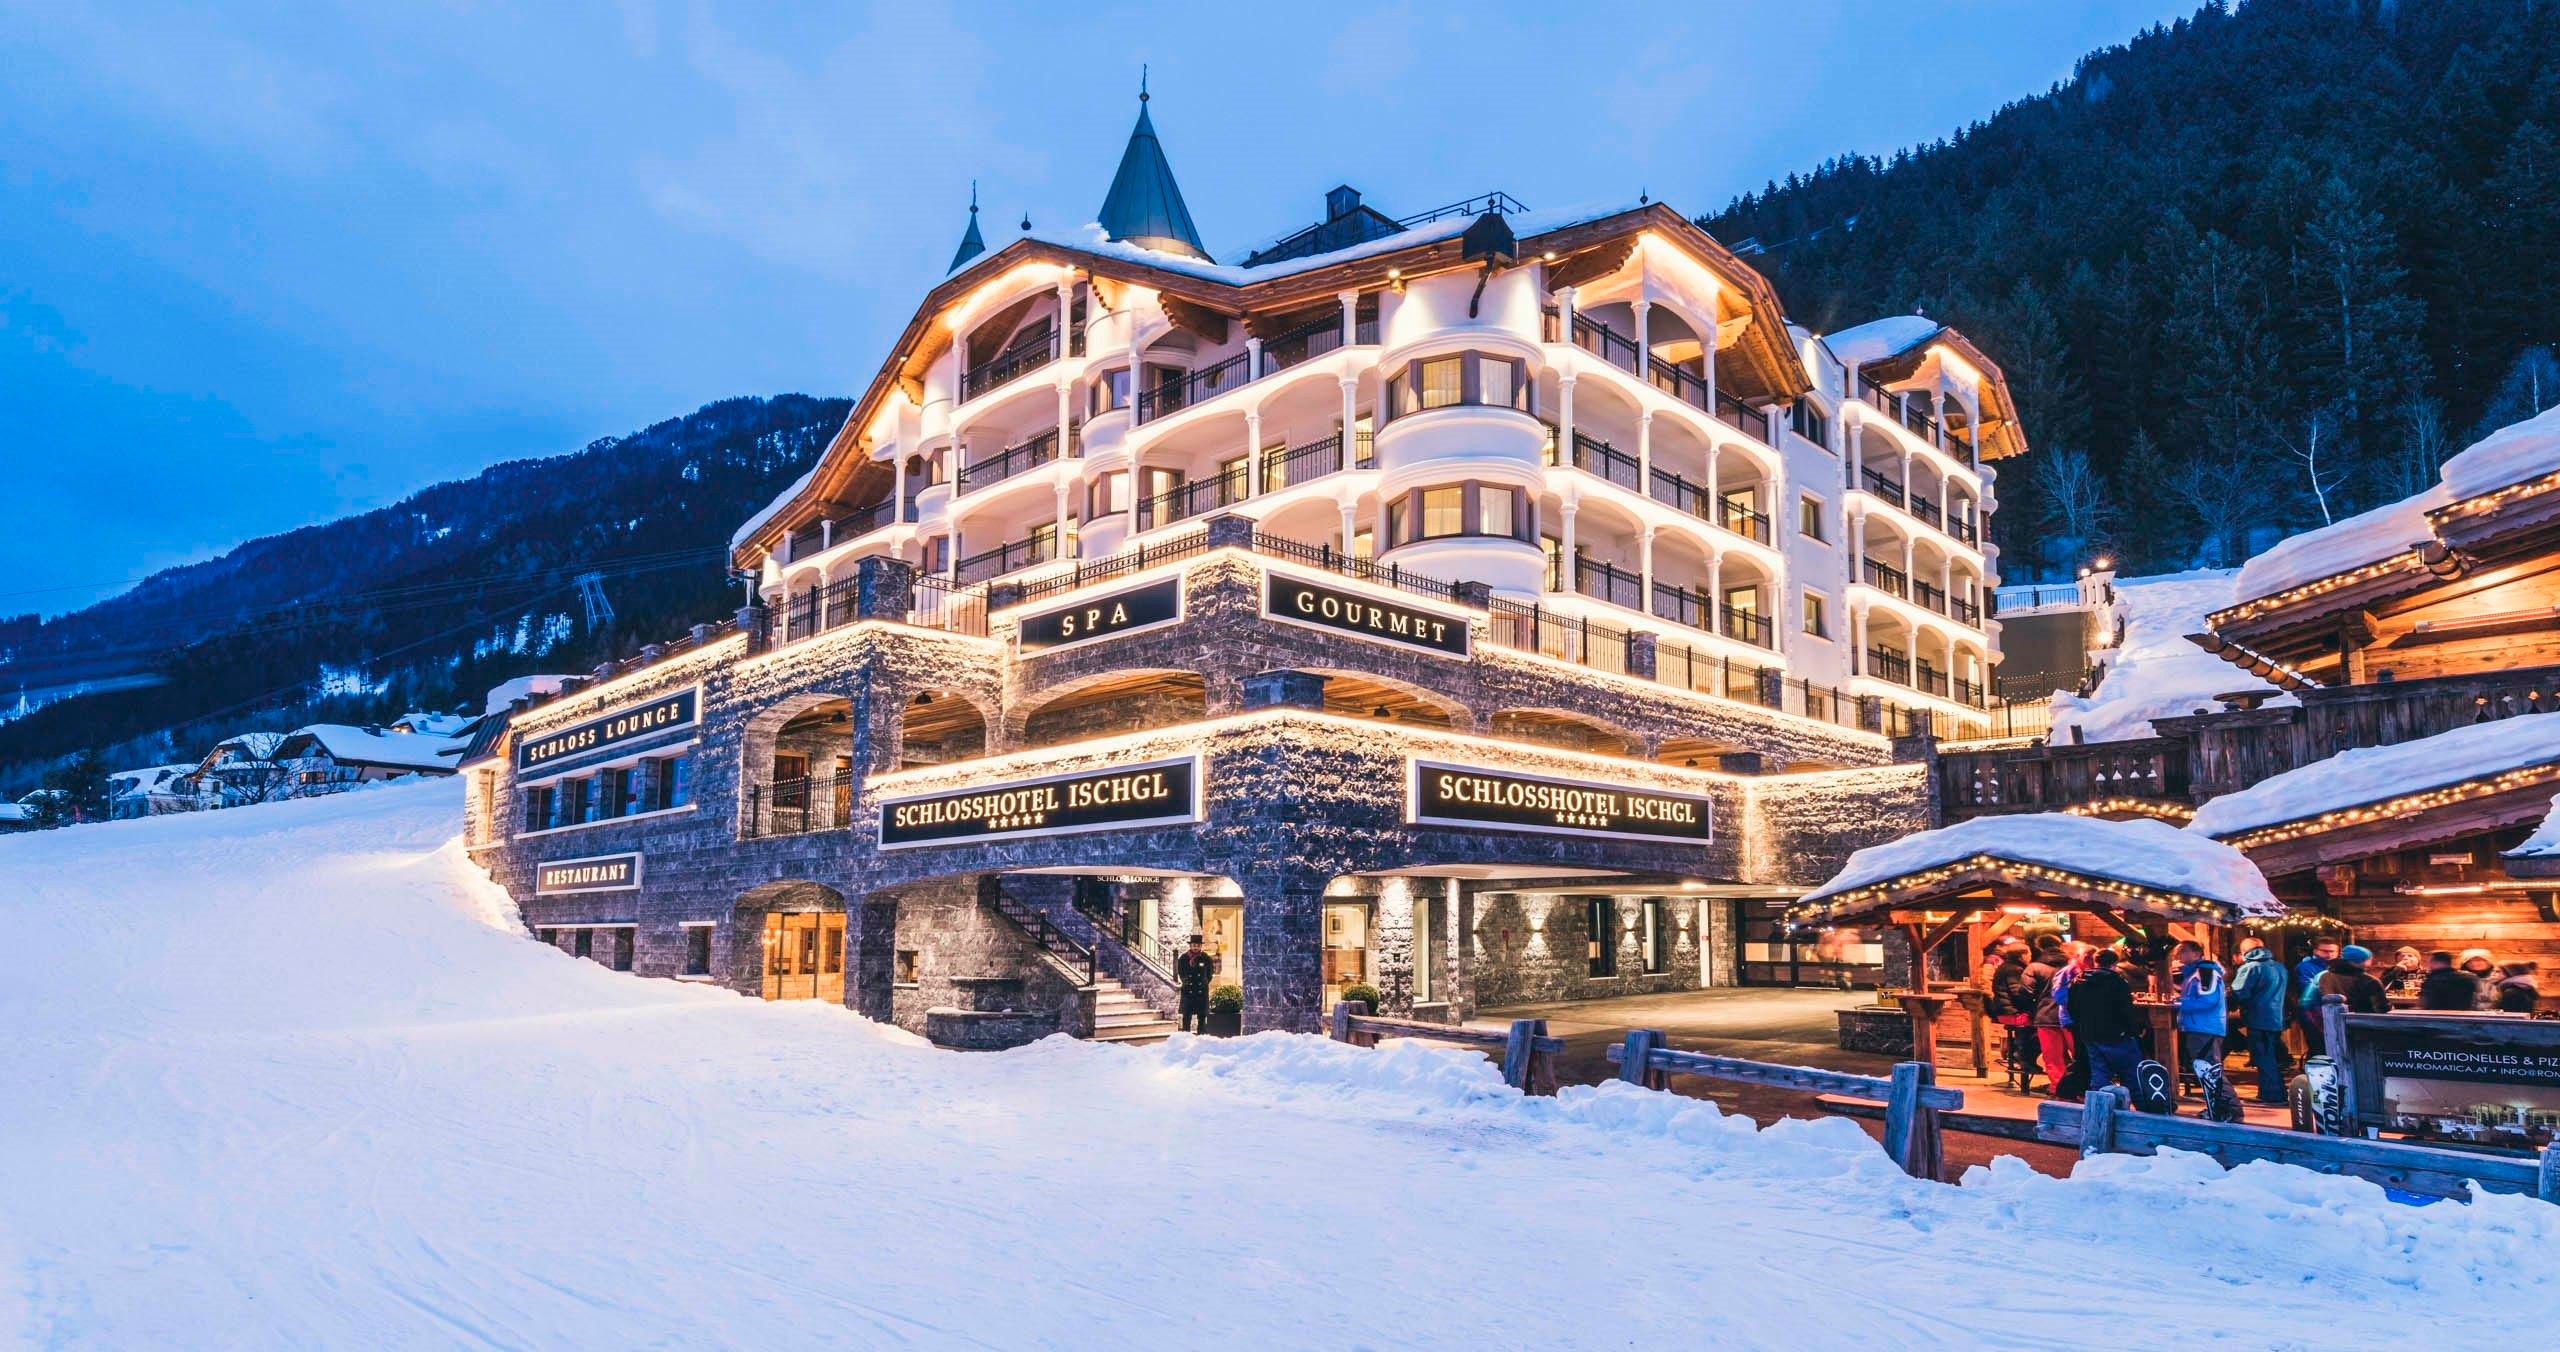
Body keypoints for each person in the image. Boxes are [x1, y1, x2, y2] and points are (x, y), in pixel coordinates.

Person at [2066, 949, 2144, 1091]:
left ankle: (2101, 1104)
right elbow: (2125, 1010)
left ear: (2096, 961)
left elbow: (2072, 1008)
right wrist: (2133, 1030)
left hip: (2089, 1033)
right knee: (2130, 1072)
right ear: (2115, 963)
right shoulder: (2117, 982)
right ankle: (2140, 1106)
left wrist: (2081, 1026)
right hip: (2116, 1033)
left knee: (2099, 1072)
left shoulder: (2078, 980)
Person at [2230, 943, 2291, 1103]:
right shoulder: (2279, 967)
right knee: (2271, 1055)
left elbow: (2240, 992)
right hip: (2276, 1017)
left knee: (2263, 1057)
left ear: (2243, 953)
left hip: (2258, 1017)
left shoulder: (2250, 968)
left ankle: (2270, 1095)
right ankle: (2278, 1093)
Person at [1990, 940, 2038, 1093]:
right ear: (2022, 955)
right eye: (2029, 953)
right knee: (2041, 1028)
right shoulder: (2015, 970)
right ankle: (2023, 1056)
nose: (2031, 956)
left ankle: (2021, 1054)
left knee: (2037, 1028)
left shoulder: (2006, 967)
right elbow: (2018, 992)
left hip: (2004, 1011)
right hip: (2011, 1012)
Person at [2173, 940, 2228, 1073]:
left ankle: (2225, 1094)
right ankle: (2219, 1094)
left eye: (2183, 950)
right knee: (2204, 1067)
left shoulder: (2205, 972)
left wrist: (2179, 1003)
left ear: (2197, 953)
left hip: (2204, 1027)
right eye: (2178, 951)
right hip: (2198, 1026)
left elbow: (2208, 1000)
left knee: (2208, 1068)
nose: (2178, 954)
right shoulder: (2193, 973)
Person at [2028, 938, 2072, 1097]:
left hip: (2046, 1016)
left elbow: (2024, 991)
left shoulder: (2034, 967)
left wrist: (2033, 1007)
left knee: (2052, 1057)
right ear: (2060, 946)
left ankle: (2058, 1088)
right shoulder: (2072, 967)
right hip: (2071, 1016)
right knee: (2081, 1054)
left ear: (2039, 947)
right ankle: (2081, 1088)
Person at [2316, 944, 2391, 1016]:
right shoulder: (2370, 980)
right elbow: (2381, 1009)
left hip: (2329, 1022)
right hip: (2362, 1024)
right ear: (2362, 960)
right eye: (2369, 959)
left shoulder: (2324, 976)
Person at [2294, 939, 2340, 1054]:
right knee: (2318, 1049)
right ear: (2315, 951)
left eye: (2332, 951)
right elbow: (2307, 989)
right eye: (2325, 951)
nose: (2329, 954)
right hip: (2312, 1014)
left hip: (2334, 1014)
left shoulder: (2339, 967)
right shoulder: (2305, 967)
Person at [1175, 933, 1215, 1034]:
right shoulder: (1183, 958)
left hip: (1201, 992)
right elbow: (1181, 972)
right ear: (1190, 946)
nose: (1195, 947)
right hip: (1188, 991)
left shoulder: (1206, 958)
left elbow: (1210, 974)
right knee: (1186, 1017)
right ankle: (1185, 1037)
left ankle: (1201, 1037)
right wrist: (1186, 981)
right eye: (1193, 945)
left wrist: (1204, 982)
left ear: (1201, 946)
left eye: (1197, 945)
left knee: (1201, 1017)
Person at [2415, 949, 2480, 1012]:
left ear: (2434, 962)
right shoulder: (2469, 978)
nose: (2427, 965)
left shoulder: (2432, 980)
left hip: (2437, 1019)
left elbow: (2424, 1004)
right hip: (2464, 1019)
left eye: (2427, 962)